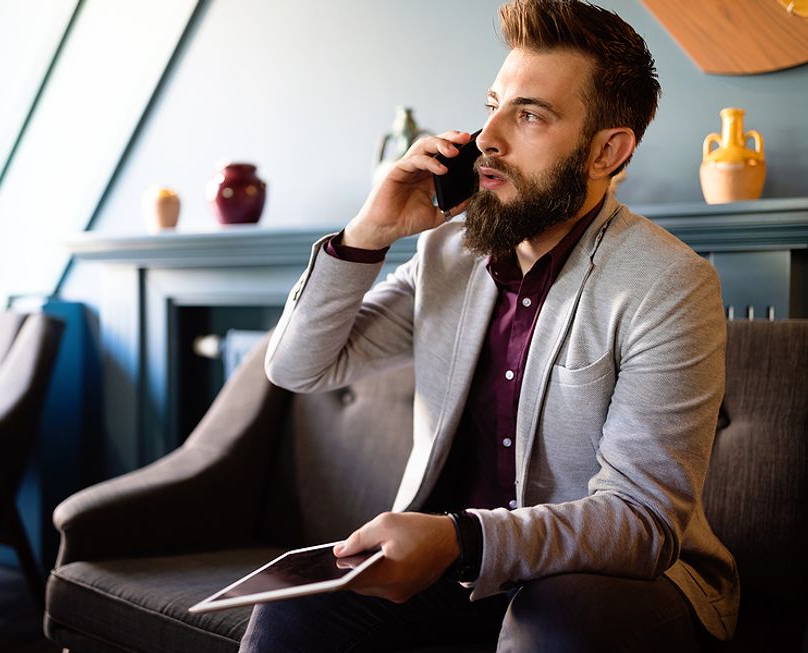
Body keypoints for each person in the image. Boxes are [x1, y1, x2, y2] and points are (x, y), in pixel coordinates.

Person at [242, 0, 739, 650]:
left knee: (553, 623)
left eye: (528, 114)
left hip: (611, 581)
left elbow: (641, 520)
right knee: (291, 617)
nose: (488, 139)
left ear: (607, 151)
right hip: (459, 570)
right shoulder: (450, 253)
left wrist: (460, 538)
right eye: (492, 106)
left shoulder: (669, 282)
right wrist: (370, 232)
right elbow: (298, 365)